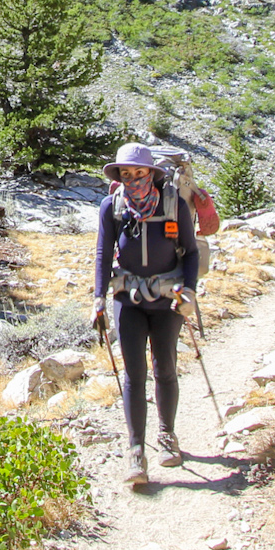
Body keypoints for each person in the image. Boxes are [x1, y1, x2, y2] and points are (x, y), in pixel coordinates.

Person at [93, 142, 199, 486]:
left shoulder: (173, 204)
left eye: (139, 172)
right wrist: (98, 298)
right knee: (134, 373)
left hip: (168, 299)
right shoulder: (112, 206)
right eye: (126, 173)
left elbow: (191, 251)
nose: (133, 178)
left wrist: (190, 291)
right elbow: (103, 253)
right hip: (128, 298)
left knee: (165, 367)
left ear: (151, 173)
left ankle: (167, 435)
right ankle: (136, 450)